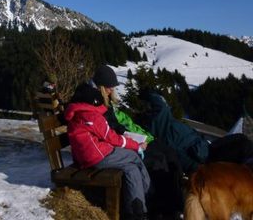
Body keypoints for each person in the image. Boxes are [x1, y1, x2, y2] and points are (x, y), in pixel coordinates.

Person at [89, 65, 185, 218]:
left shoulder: (103, 101)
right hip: (110, 147)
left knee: (167, 153)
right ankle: (159, 205)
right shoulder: (95, 103)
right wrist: (130, 141)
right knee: (155, 160)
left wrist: (130, 135)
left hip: (121, 139)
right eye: (108, 87)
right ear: (100, 86)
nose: (111, 90)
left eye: (112, 87)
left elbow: (115, 125)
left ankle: (174, 203)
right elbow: (108, 131)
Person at [65, 83, 151, 220]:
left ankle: (134, 210)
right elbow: (112, 138)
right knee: (134, 157)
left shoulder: (77, 114)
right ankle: (145, 198)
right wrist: (136, 146)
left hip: (90, 156)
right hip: (99, 157)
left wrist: (78, 162)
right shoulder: (91, 116)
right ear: (92, 101)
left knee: (131, 168)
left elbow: (79, 143)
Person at [140, 90, 253, 174]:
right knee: (244, 145)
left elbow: (161, 105)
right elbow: (180, 157)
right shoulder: (161, 124)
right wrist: (148, 94)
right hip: (206, 157)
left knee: (241, 138)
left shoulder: (167, 122)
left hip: (207, 147)